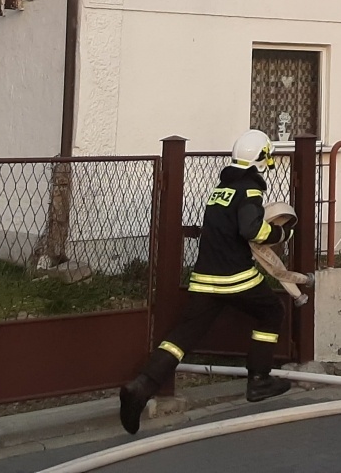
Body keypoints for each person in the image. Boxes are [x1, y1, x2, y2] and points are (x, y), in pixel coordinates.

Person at [119, 129, 294, 434]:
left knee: (181, 337)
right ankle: (259, 380)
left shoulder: (221, 188)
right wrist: (282, 233)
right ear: (261, 159)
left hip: (204, 278)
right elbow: (251, 230)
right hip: (235, 278)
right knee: (271, 312)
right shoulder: (250, 190)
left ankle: (141, 386)